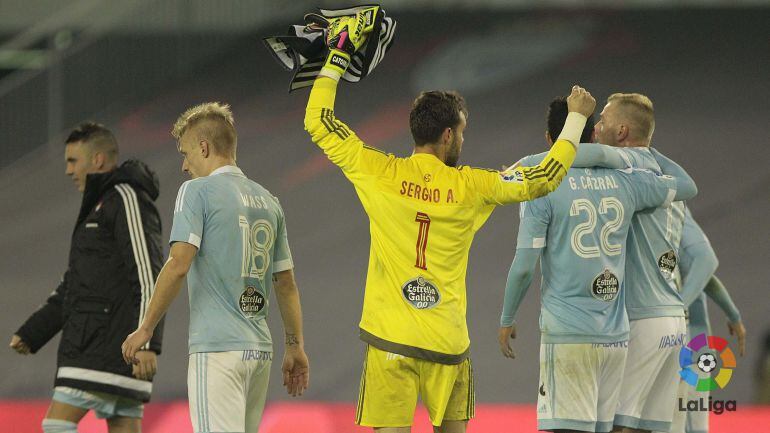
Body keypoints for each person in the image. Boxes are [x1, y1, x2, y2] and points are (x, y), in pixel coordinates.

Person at [303, 11, 596, 433]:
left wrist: (338, 53)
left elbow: (319, 121)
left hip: (391, 342)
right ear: (446, 136)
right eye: (461, 131)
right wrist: (576, 118)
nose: (463, 138)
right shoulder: (472, 186)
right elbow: (544, 177)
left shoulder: (378, 171)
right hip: (446, 343)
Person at [498, 97, 697, 433]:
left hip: (569, 334)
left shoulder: (541, 184)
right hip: (617, 336)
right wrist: (646, 153)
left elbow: (523, 267)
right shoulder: (627, 180)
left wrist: (506, 318)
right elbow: (686, 187)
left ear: (550, 141)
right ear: (591, 134)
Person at [121, 102, 309, 433]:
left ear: (204, 147)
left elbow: (178, 265)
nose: (183, 165)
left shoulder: (197, 191)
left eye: (186, 152)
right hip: (259, 351)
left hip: (218, 349)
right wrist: (294, 346)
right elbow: (286, 283)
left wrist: (146, 327)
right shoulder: (269, 201)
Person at [9, 122, 165, 433]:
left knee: (55, 426)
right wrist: (35, 332)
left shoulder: (125, 197)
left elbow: (149, 271)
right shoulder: (99, 204)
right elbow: (77, 282)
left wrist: (147, 340)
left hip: (105, 348)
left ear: (97, 160)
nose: (68, 170)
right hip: (103, 347)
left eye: (72, 160)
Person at [661, 206, 744, 433]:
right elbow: (706, 272)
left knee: (678, 424)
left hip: (682, 341)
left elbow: (706, 264)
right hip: (694, 342)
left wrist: (677, 308)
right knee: (693, 425)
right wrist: (733, 314)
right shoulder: (674, 214)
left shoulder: (662, 212)